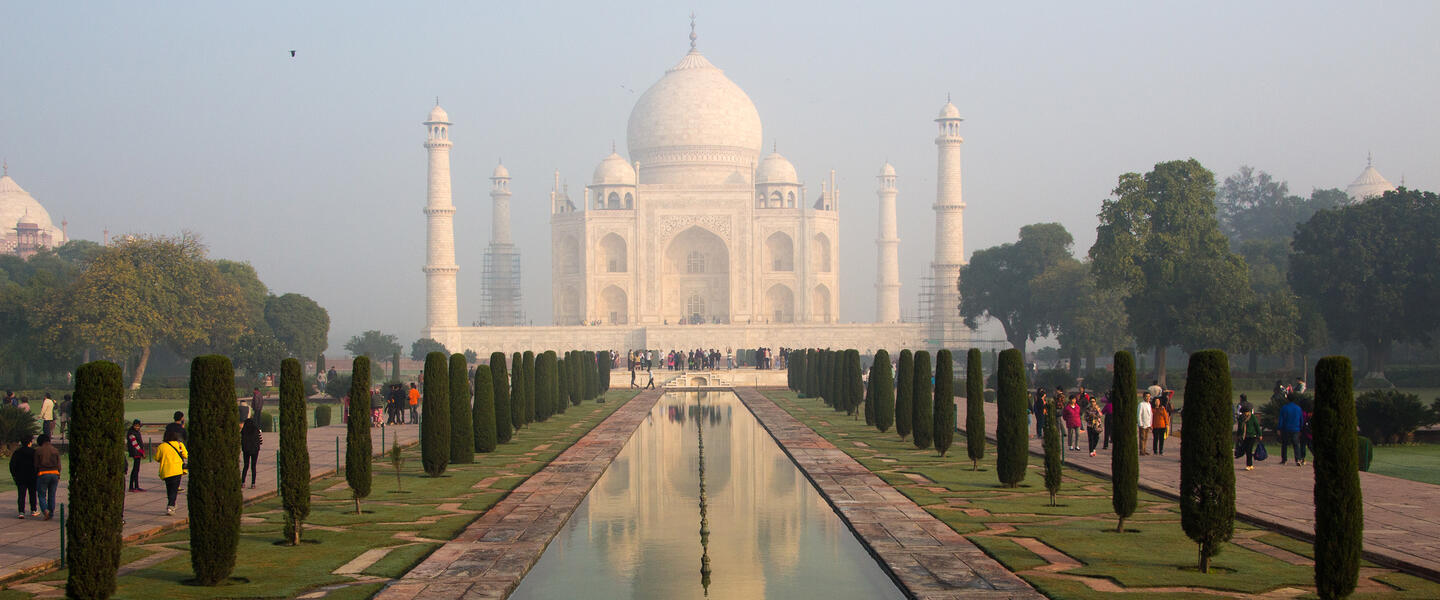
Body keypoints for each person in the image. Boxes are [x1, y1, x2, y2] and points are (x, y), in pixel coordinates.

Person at [156, 429, 188, 515]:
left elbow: (157, 458)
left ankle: (171, 504)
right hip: (177, 470)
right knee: (174, 489)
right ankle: (171, 506)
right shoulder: (179, 445)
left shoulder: (161, 446)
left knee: (169, 488)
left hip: (166, 470)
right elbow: (185, 455)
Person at [9, 434, 37, 518]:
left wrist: (14, 475)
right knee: (32, 493)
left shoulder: (17, 452)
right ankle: (33, 510)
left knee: (21, 495)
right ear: (29, 442)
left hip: (20, 477)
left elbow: (12, 465)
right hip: (32, 476)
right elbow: (37, 464)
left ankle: (21, 511)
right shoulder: (33, 452)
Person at [33, 434, 60, 520]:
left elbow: (36, 465)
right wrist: (58, 475)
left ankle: (45, 510)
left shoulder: (38, 451)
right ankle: (51, 513)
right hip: (54, 473)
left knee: (41, 494)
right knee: (52, 495)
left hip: (43, 473)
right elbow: (59, 465)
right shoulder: (55, 450)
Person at [1278, 393, 1305, 466]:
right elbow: (1301, 419)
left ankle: (1284, 459)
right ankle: (1298, 459)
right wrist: (1301, 428)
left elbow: (1281, 419)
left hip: (1286, 428)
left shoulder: (1284, 408)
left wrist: (1279, 428)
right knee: (1296, 444)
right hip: (1295, 429)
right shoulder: (1298, 408)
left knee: (1284, 444)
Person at [240, 417, 262, 489]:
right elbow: (260, 441)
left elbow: (242, 442)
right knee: (253, 466)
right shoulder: (256, 430)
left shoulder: (243, 431)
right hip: (255, 450)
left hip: (246, 450)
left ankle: (243, 482)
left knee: (246, 466)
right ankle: (253, 483)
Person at [1238, 406, 1261, 471]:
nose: (1245, 414)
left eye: (1246, 412)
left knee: (1249, 450)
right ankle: (1250, 464)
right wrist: (1238, 435)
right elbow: (1240, 427)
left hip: (1252, 436)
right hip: (1244, 436)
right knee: (1246, 450)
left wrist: (1260, 434)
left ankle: (1249, 465)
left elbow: (1257, 426)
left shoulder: (1252, 417)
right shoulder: (1241, 418)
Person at [126, 420, 147, 492]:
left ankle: (136, 486)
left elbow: (140, 443)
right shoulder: (131, 433)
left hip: (138, 452)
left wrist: (142, 451)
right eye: (136, 426)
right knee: (135, 470)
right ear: (133, 425)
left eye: (139, 426)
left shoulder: (137, 432)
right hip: (135, 452)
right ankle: (131, 487)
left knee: (136, 470)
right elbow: (135, 444)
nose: (137, 427)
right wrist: (142, 452)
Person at [1137, 392, 1153, 456]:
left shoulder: (1149, 404)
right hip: (1143, 424)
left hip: (1148, 424)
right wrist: (1140, 423)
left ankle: (1144, 449)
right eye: (1146, 396)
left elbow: (1150, 415)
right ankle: (1141, 451)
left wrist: (1150, 424)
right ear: (1144, 397)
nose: (1148, 398)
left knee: (1146, 438)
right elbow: (1139, 415)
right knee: (1142, 437)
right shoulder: (1141, 404)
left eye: (1149, 396)